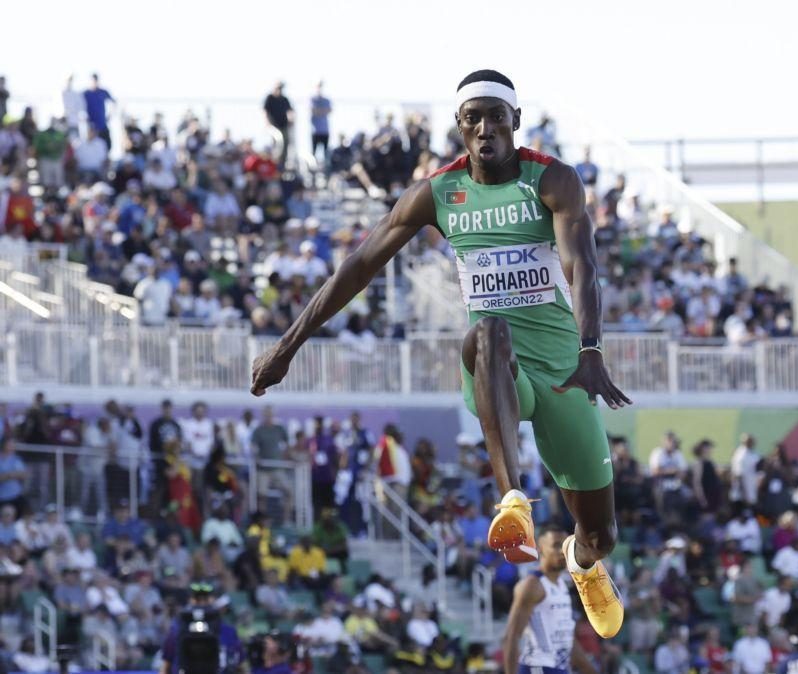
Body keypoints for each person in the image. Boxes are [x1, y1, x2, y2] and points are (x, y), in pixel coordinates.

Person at [251, 69, 630, 638]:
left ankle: (581, 561)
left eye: (496, 118)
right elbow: (357, 266)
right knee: (489, 332)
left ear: (515, 123)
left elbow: (581, 264)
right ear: (459, 128)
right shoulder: (439, 192)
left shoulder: (552, 180)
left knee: (602, 533)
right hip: (496, 368)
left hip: (563, 371)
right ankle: (512, 500)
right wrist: (287, 346)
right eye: (472, 119)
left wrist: (592, 346)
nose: (485, 130)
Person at [501, 524, 598, 674]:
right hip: (537, 668)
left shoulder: (562, 584)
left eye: (565, 546)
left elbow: (567, 640)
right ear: (540, 548)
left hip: (559, 668)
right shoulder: (532, 585)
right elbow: (511, 637)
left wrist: (590, 670)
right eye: (556, 546)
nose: (562, 552)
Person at [159, 581, 243, 674]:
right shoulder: (177, 629)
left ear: (214, 600)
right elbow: (166, 664)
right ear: (190, 600)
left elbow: (240, 665)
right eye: (197, 599)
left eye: (206, 599)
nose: (202, 604)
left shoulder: (228, 631)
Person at [263, 82, 294, 167]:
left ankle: (282, 163)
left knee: (286, 143)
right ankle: (273, 163)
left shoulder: (284, 99)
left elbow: (290, 111)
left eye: (281, 88)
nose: (279, 90)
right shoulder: (270, 98)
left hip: (283, 126)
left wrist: (291, 120)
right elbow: (265, 111)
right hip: (273, 127)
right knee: (276, 144)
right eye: (278, 88)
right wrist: (267, 123)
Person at [82, 73, 115, 149]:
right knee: (91, 147)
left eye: (96, 80)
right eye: (93, 80)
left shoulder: (103, 92)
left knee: (107, 146)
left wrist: (110, 115)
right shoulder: (85, 93)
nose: (94, 82)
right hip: (91, 126)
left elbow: (113, 103)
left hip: (102, 124)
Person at [310, 81, 332, 164]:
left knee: (326, 153)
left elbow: (329, 110)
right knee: (313, 153)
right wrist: (322, 111)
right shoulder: (312, 99)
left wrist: (319, 111)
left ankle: (326, 170)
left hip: (325, 131)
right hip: (315, 131)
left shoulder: (326, 100)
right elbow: (313, 111)